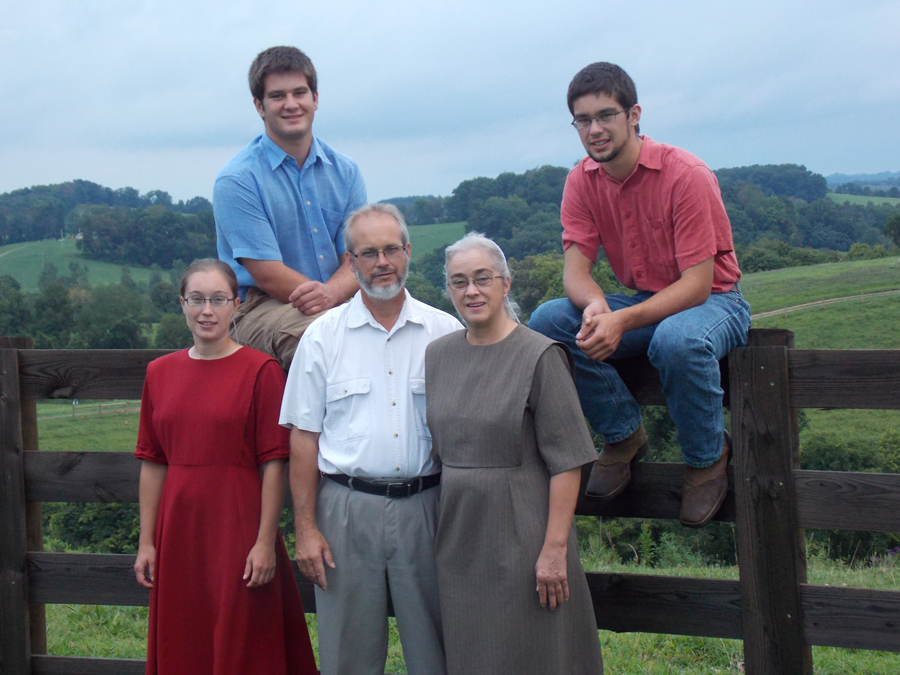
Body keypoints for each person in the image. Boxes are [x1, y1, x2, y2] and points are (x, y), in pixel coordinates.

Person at [528, 62, 751, 528]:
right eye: (582, 120)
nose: (594, 129)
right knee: (549, 323)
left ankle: (707, 457)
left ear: (634, 115)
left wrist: (622, 321)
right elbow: (576, 272)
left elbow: (696, 284)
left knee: (676, 341)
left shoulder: (686, 174)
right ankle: (623, 434)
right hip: (650, 299)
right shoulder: (581, 181)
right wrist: (597, 310)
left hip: (716, 300)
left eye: (605, 116)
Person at [280, 204, 461, 675]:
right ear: (351, 260)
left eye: (390, 250)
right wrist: (305, 528)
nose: (381, 262)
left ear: (407, 251)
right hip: (344, 510)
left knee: (437, 651)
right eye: (367, 253)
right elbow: (302, 440)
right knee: (347, 654)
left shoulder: (446, 333)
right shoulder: (322, 337)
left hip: (429, 507)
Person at [425, 233, 603, 674]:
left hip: (526, 537)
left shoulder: (540, 355)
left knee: (537, 653)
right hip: (460, 539)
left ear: (506, 283)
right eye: (459, 281)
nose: (471, 291)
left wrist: (554, 550)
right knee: (473, 655)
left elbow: (568, 462)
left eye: (482, 278)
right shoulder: (437, 356)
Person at [133, 259, 316, 675]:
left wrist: (264, 542)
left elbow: (274, 464)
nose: (206, 311)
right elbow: (153, 460)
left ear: (237, 304)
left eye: (218, 299)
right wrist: (147, 541)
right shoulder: (158, 373)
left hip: (238, 529)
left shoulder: (262, 371)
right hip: (178, 531)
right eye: (196, 300)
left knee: (243, 639)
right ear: (182, 304)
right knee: (185, 636)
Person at [214, 45, 367, 370]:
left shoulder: (346, 172)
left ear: (315, 98)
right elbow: (268, 275)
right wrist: (329, 305)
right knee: (323, 338)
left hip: (337, 300)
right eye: (277, 96)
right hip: (258, 306)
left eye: (300, 92)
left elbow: (357, 260)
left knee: (419, 329)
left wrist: (331, 296)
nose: (291, 104)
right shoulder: (237, 179)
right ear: (259, 105)